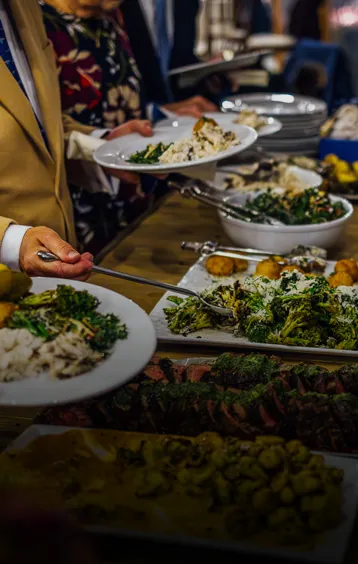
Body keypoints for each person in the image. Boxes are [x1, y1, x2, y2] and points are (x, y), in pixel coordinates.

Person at [0, 0, 153, 270]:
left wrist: (103, 143)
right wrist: (11, 241)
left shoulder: (23, 8)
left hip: (62, 260)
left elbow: (36, 122)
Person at [120, 0, 221, 109]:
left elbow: (181, 61)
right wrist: (158, 112)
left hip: (184, 117)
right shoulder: (110, 6)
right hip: (134, 117)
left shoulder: (187, 3)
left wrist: (210, 73)